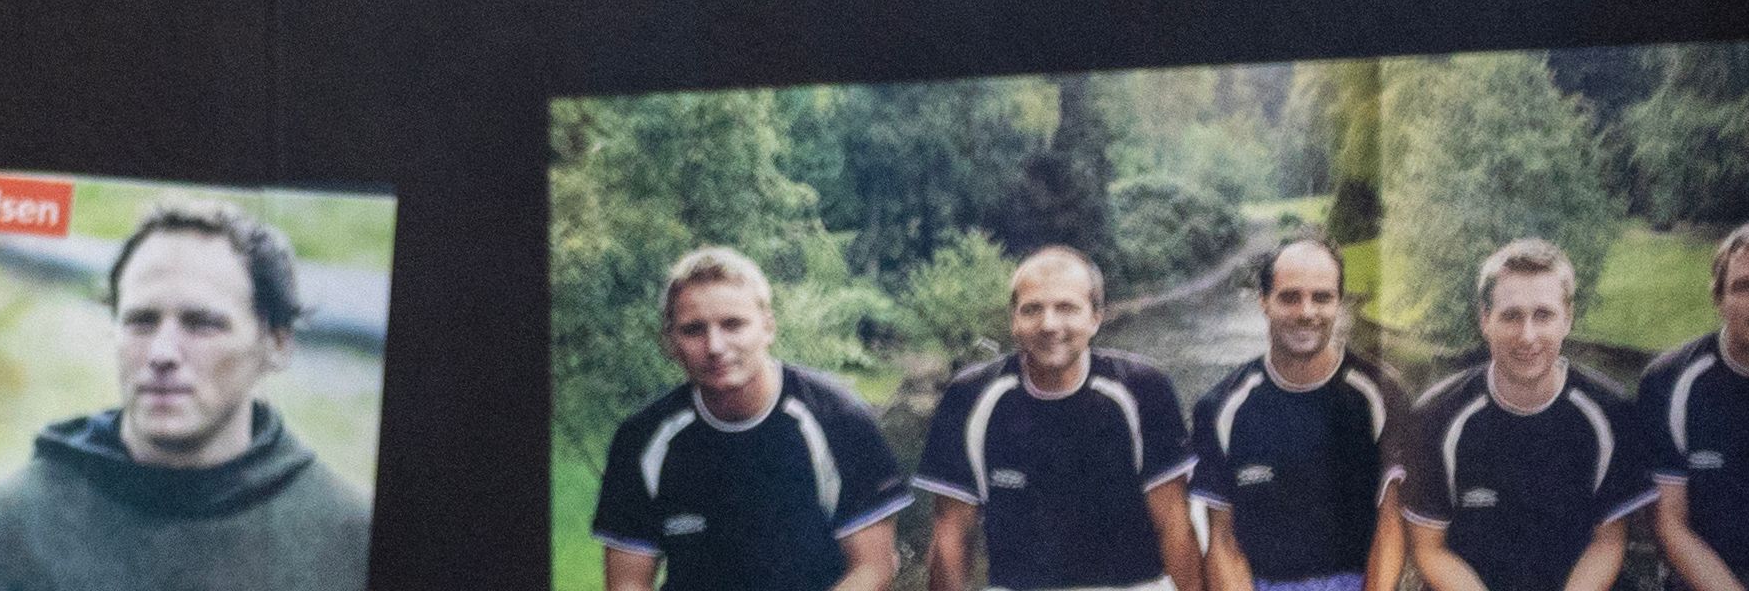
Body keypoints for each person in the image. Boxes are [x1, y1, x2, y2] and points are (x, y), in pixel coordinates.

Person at [0, 203, 366, 591]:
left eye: (201, 324)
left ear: (276, 343)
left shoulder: (353, 541)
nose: (162, 353)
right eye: (141, 321)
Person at [596, 250, 917, 591]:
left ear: (768, 326)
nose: (715, 346)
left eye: (733, 324)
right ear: (670, 341)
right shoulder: (643, 438)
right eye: (694, 330)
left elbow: (873, 567)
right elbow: (627, 582)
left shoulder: (837, 418)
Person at [918, 250, 1198, 591]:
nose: (1049, 325)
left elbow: (1174, 524)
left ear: (1095, 318)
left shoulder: (1141, 389)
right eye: (1032, 309)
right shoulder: (971, 396)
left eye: (1066, 308)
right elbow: (951, 535)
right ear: (1014, 320)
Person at [1394, 241, 1655, 591]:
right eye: (1511, 316)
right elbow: (1430, 549)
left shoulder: (1608, 412)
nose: (1527, 336)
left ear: (1567, 318)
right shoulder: (1437, 416)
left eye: (1543, 315)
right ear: (1485, 319)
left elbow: (1607, 541)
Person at [1198, 236, 1401, 591]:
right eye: (1290, 297)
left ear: (1340, 303)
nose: (1306, 313)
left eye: (1321, 297)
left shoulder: (1380, 396)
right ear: (1264, 301)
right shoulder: (1222, 407)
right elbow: (1223, 542)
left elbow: (1391, 526)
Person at [1634, 221, 1749, 591]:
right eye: (1743, 287)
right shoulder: (1669, 381)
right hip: (1704, 574)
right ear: (1719, 298)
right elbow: (1669, 524)